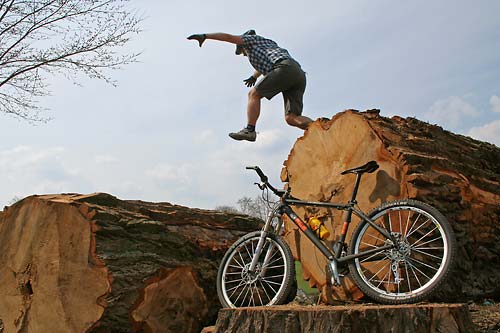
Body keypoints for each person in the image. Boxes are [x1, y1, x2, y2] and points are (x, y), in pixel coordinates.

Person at [187, 30, 313, 142]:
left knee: (253, 94)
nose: (245, 55)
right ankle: (321, 126)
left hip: (284, 68)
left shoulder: (248, 40)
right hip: (298, 74)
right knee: (291, 118)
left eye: (243, 52)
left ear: (243, 45)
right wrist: (254, 77)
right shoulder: (267, 43)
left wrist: (205, 36)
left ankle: (250, 130)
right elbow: (266, 62)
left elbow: (228, 37)